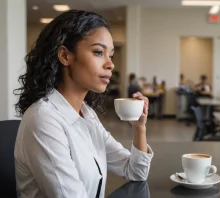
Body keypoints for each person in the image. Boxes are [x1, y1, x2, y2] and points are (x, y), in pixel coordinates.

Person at [13, 10, 153, 198]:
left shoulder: (86, 115)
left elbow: (136, 172)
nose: (110, 64)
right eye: (98, 52)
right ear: (65, 56)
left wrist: (139, 128)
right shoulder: (43, 119)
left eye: (110, 55)